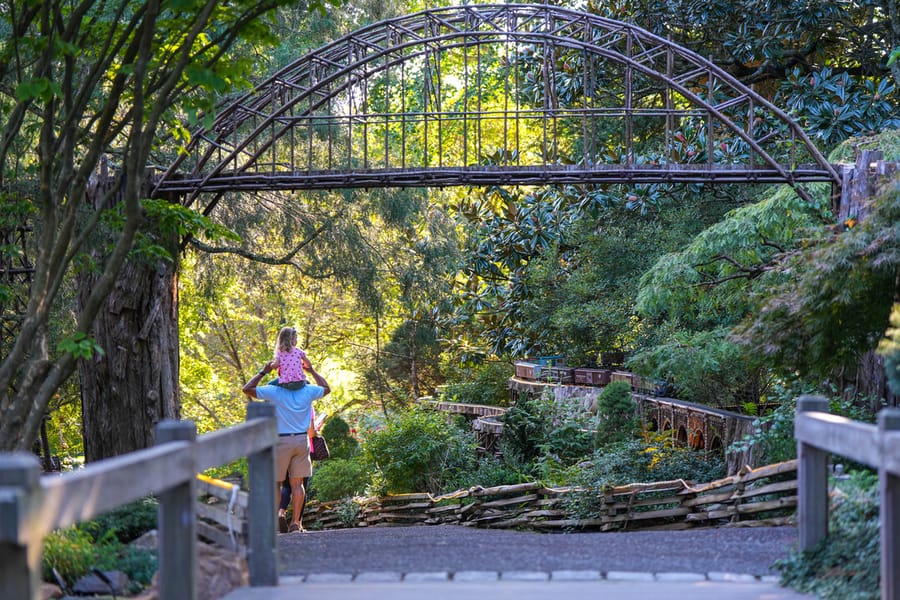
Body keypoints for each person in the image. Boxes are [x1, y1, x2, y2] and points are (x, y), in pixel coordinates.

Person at [243, 351, 330, 533]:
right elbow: (326, 388)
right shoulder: (308, 391)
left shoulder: (274, 391)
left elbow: (247, 388)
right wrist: (312, 370)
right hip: (301, 440)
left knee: (276, 484)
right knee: (297, 485)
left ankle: (276, 519)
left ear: (280, 372)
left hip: (280, 440)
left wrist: (264, 371)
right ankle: (295, 523)